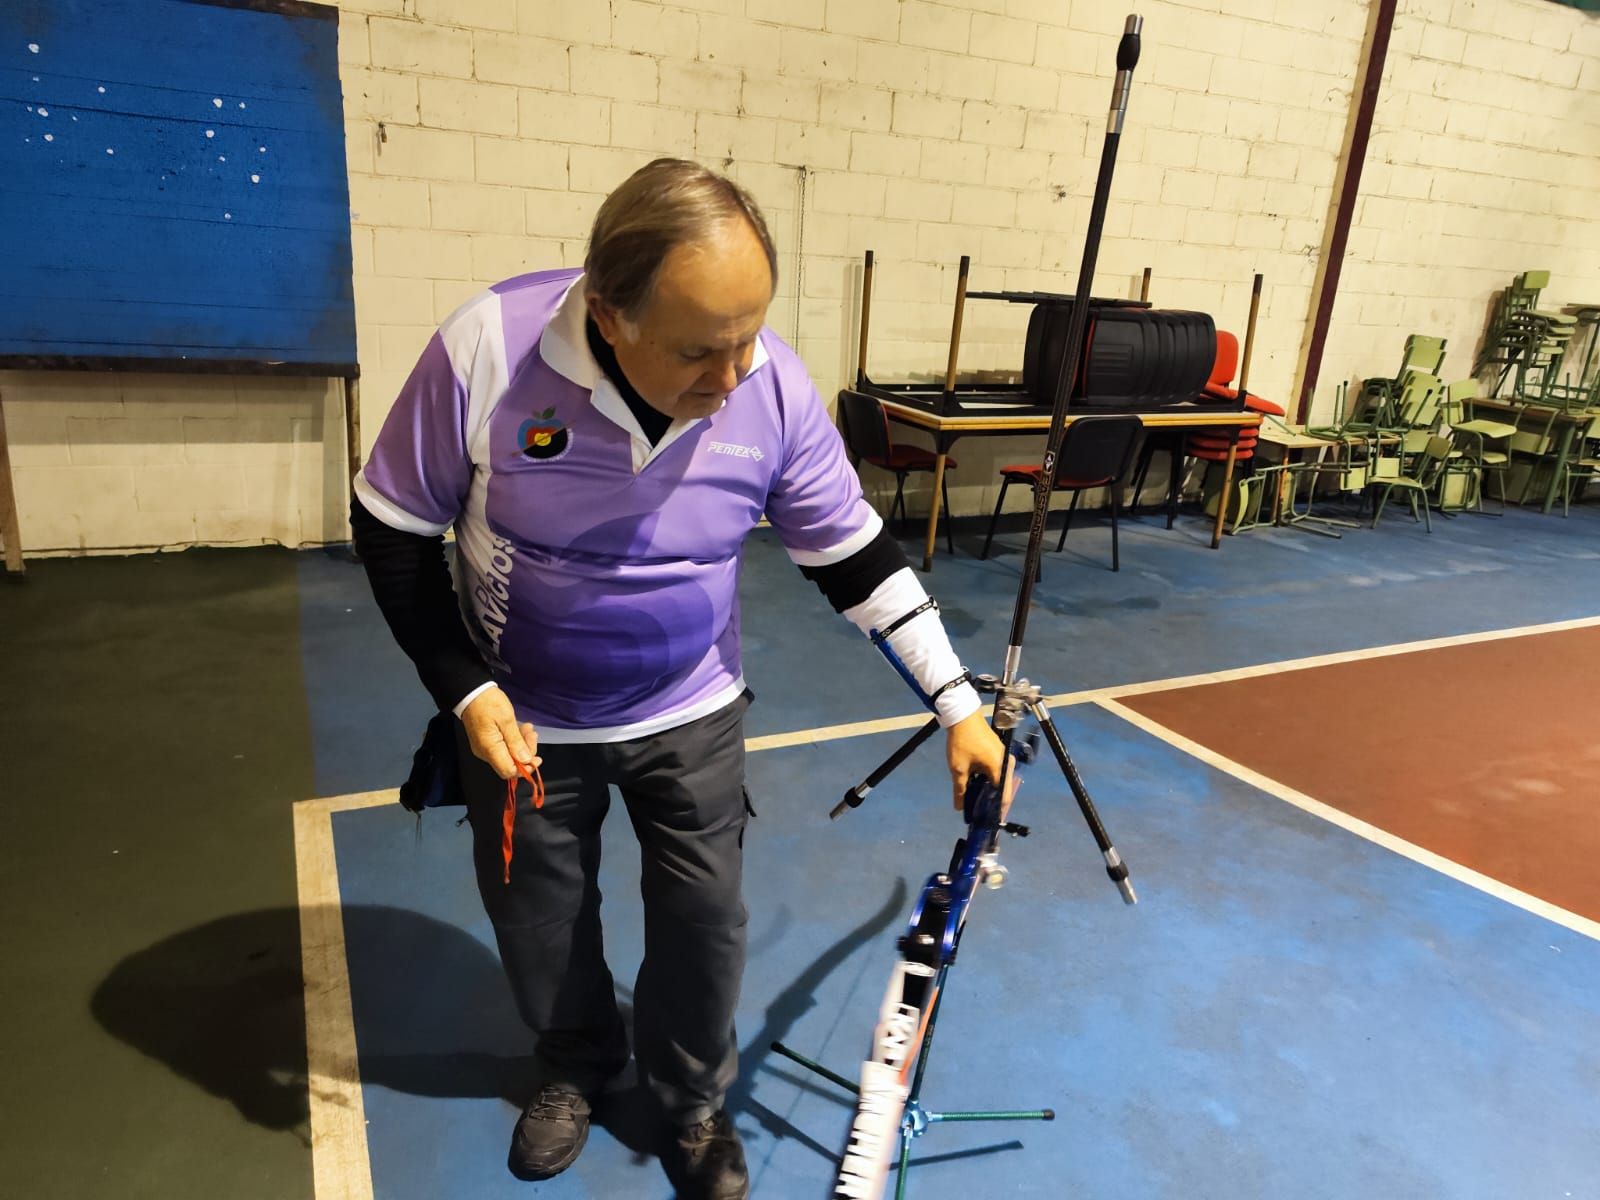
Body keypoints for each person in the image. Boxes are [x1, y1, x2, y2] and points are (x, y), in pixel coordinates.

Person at [350, 157, 1006, 1199]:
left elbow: (853, 558)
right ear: (608, 317)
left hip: (691, 707)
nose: (739, 373)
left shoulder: (772, 385)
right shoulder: (488, 350)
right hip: (522, 720)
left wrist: (959, 705)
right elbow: (391, 531)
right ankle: (574, 1063)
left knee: (705, 923)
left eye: (753, 333)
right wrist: (467, 692)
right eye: (703, 348)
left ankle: (692, 1101)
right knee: (539, 919)